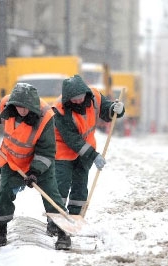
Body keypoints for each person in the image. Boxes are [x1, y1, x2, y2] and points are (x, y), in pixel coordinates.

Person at [0, 83, 71, 250]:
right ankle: (1, 230)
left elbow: (46, 151)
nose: (21, 111)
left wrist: (34, 171)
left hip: (39, 164)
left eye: (25, 108)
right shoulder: (5, 104)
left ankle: (63, 233)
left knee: (51, 196)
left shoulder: (46, 117)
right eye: (18, 107)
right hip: (11, 161)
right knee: (3, 195)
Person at [51, 74, 125, 231]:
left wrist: (115, 109)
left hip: (86, 150)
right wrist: (94, 155)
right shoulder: (60, 109)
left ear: (85, 93)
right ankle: (55, 223)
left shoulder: (94, 96)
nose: (77, 101)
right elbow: (73, 140)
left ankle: (76, 219)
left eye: (80, 97)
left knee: (80, 186)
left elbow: (106, 110)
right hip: (63, 151)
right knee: (61, 187)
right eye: (74, 99)